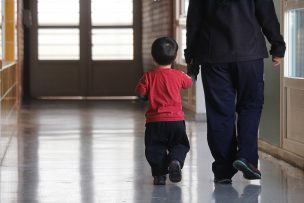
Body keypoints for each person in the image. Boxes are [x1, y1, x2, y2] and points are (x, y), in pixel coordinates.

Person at [185, 0, 286, 184]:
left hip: (213, 55)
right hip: (249, 54)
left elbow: (194, 22)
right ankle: (246, 157)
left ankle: (223, 169)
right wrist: (277, 46)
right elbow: (267, 15)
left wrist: (190, 55)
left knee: (220, 112)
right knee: (251, 105)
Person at [136, 37, 193, 185]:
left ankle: (159, 175)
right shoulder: (178, 75)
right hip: (176, 121)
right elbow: (188, 82)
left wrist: (145, 95)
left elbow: (141, 93)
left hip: (155, 122)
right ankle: (175, 161)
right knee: (180, 144)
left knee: (154, 148)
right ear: (174, 58)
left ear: (153, 58)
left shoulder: (148, 76)